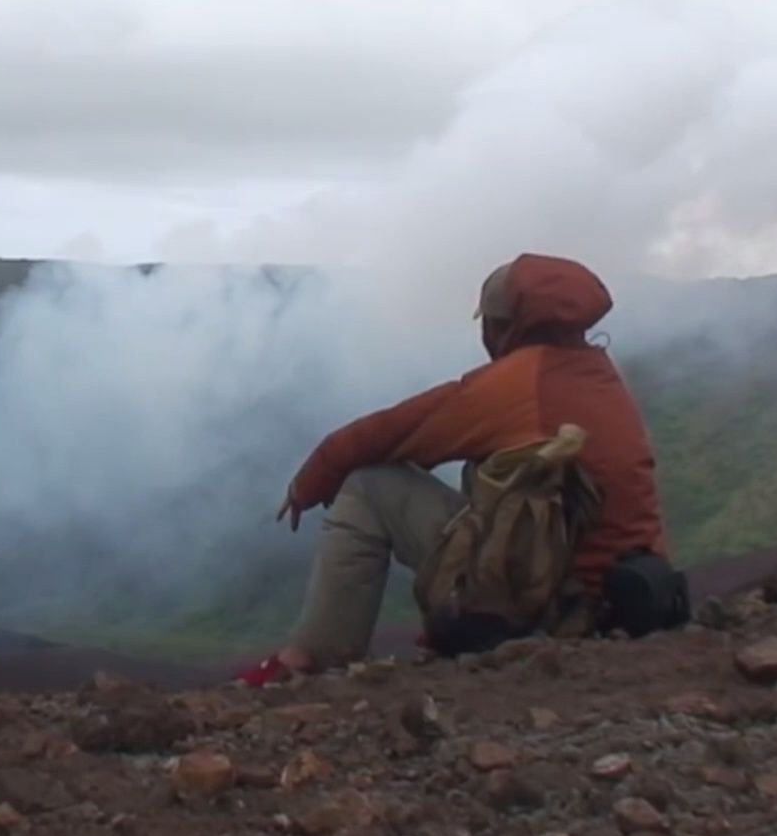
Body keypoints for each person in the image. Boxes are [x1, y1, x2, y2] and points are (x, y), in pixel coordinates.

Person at [238, 253, 669, 686]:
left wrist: (310, 480)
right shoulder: (599, 372)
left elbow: (391, 431)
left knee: (368, 487)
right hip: (623, 601)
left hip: (553, 609)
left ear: (506, 325)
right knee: (497, 482)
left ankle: (311, 658)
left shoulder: (518, 382)